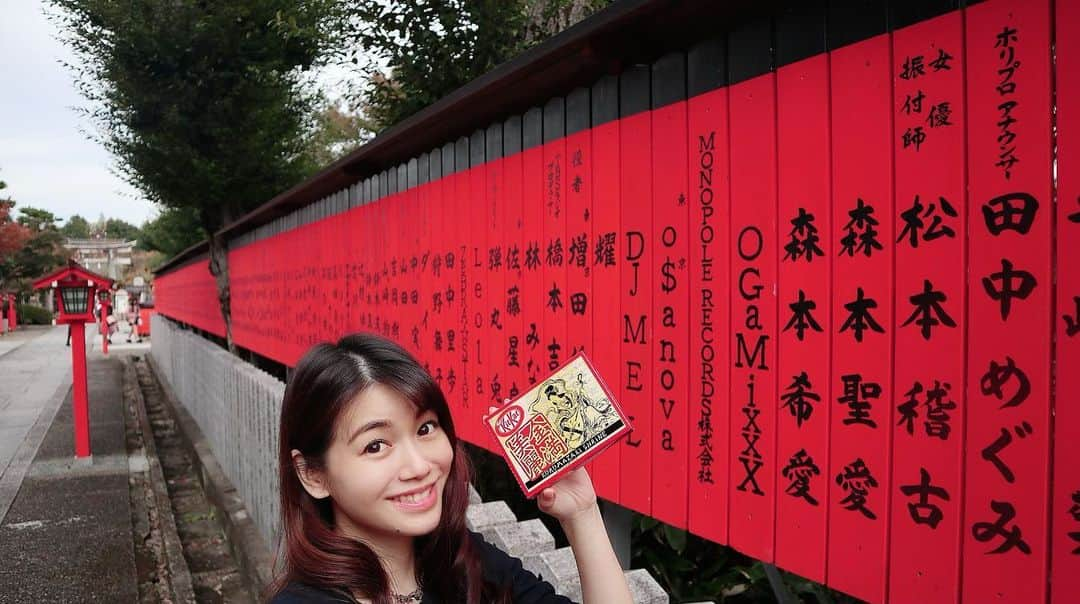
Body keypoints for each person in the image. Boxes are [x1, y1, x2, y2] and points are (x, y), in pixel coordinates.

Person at [269, 333, 633, 604]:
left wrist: (581, 513)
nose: (419, 466)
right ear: (312, 475)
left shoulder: (469, 566)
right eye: (375, 445)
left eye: (425, 428)